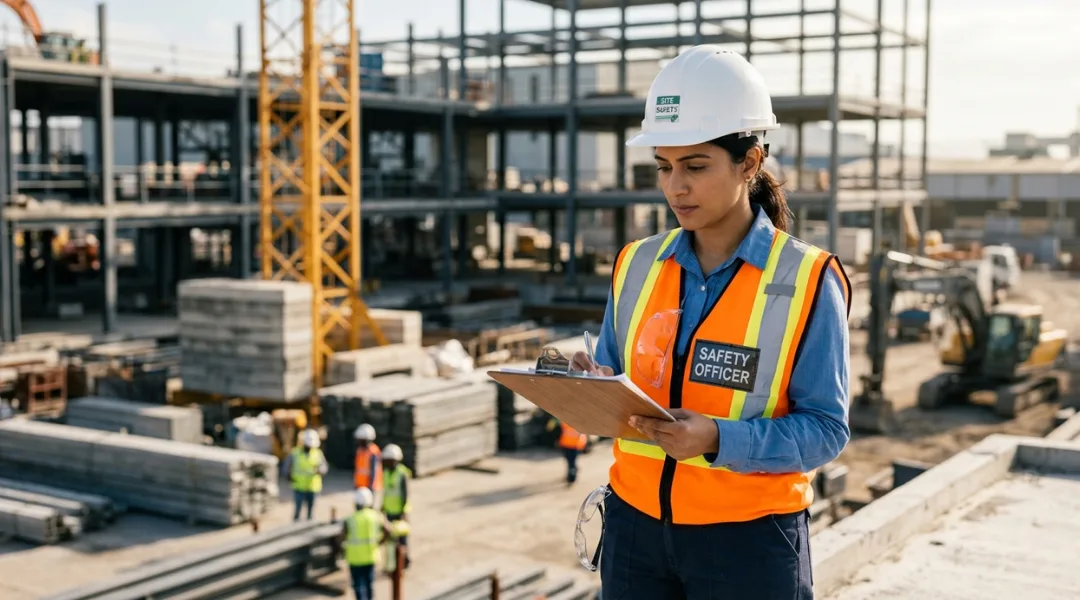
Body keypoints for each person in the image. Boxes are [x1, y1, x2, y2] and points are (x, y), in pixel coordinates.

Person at [569, 45, 852, 599]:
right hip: (634, 532)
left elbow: (826, 429)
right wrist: (591, 386)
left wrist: (717, 438)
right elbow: (621, 383)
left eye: (696, 167)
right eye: (665, 167)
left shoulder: (808, 279)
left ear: (750, 163)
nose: (676, 187)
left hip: (748, 544)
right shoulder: (636, 263)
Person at [340, 487, 390, 600]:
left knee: (358, 586)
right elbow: (389, 530)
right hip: (370, 556)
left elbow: (341, 537)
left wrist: (341, 550)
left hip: (354, 558)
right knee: (369, 585)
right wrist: (380, 542)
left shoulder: (350, 519)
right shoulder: (375, 516)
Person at [281, 428, 327, 521]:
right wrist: (288, 476)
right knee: (297, 511)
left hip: (313, 487)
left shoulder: (318, 453)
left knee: (311, 513)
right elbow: (286, 467)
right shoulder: (295, 453)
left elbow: (324, 466)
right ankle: (295, 525)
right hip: (299, 487)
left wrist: (321, 470)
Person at [379, 443, 413, 571]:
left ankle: (405, 560)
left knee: (402, 538)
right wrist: (382, 506)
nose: (385, 463)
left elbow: (405, 494)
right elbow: (386, 492)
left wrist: (403, 512)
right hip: (389, 511)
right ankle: (393, 563)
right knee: (390, 539)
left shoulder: (402, 473)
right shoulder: (387, 473)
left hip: (400, 511)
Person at [546, 417, 588, 485]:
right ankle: (572, 473)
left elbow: (550, 426)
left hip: (568, 444)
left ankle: (571, 477)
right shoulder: (579, 420)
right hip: (574, 444)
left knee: (571, 462)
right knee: (571, 461)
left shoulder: (563, 419)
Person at [353, 423, 383, 510]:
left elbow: (374, 472)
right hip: (360, 485)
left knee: (369, 509)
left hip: (370, 486)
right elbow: (358, 469)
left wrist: (370, 488)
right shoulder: (359, 451)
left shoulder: (373, 452)